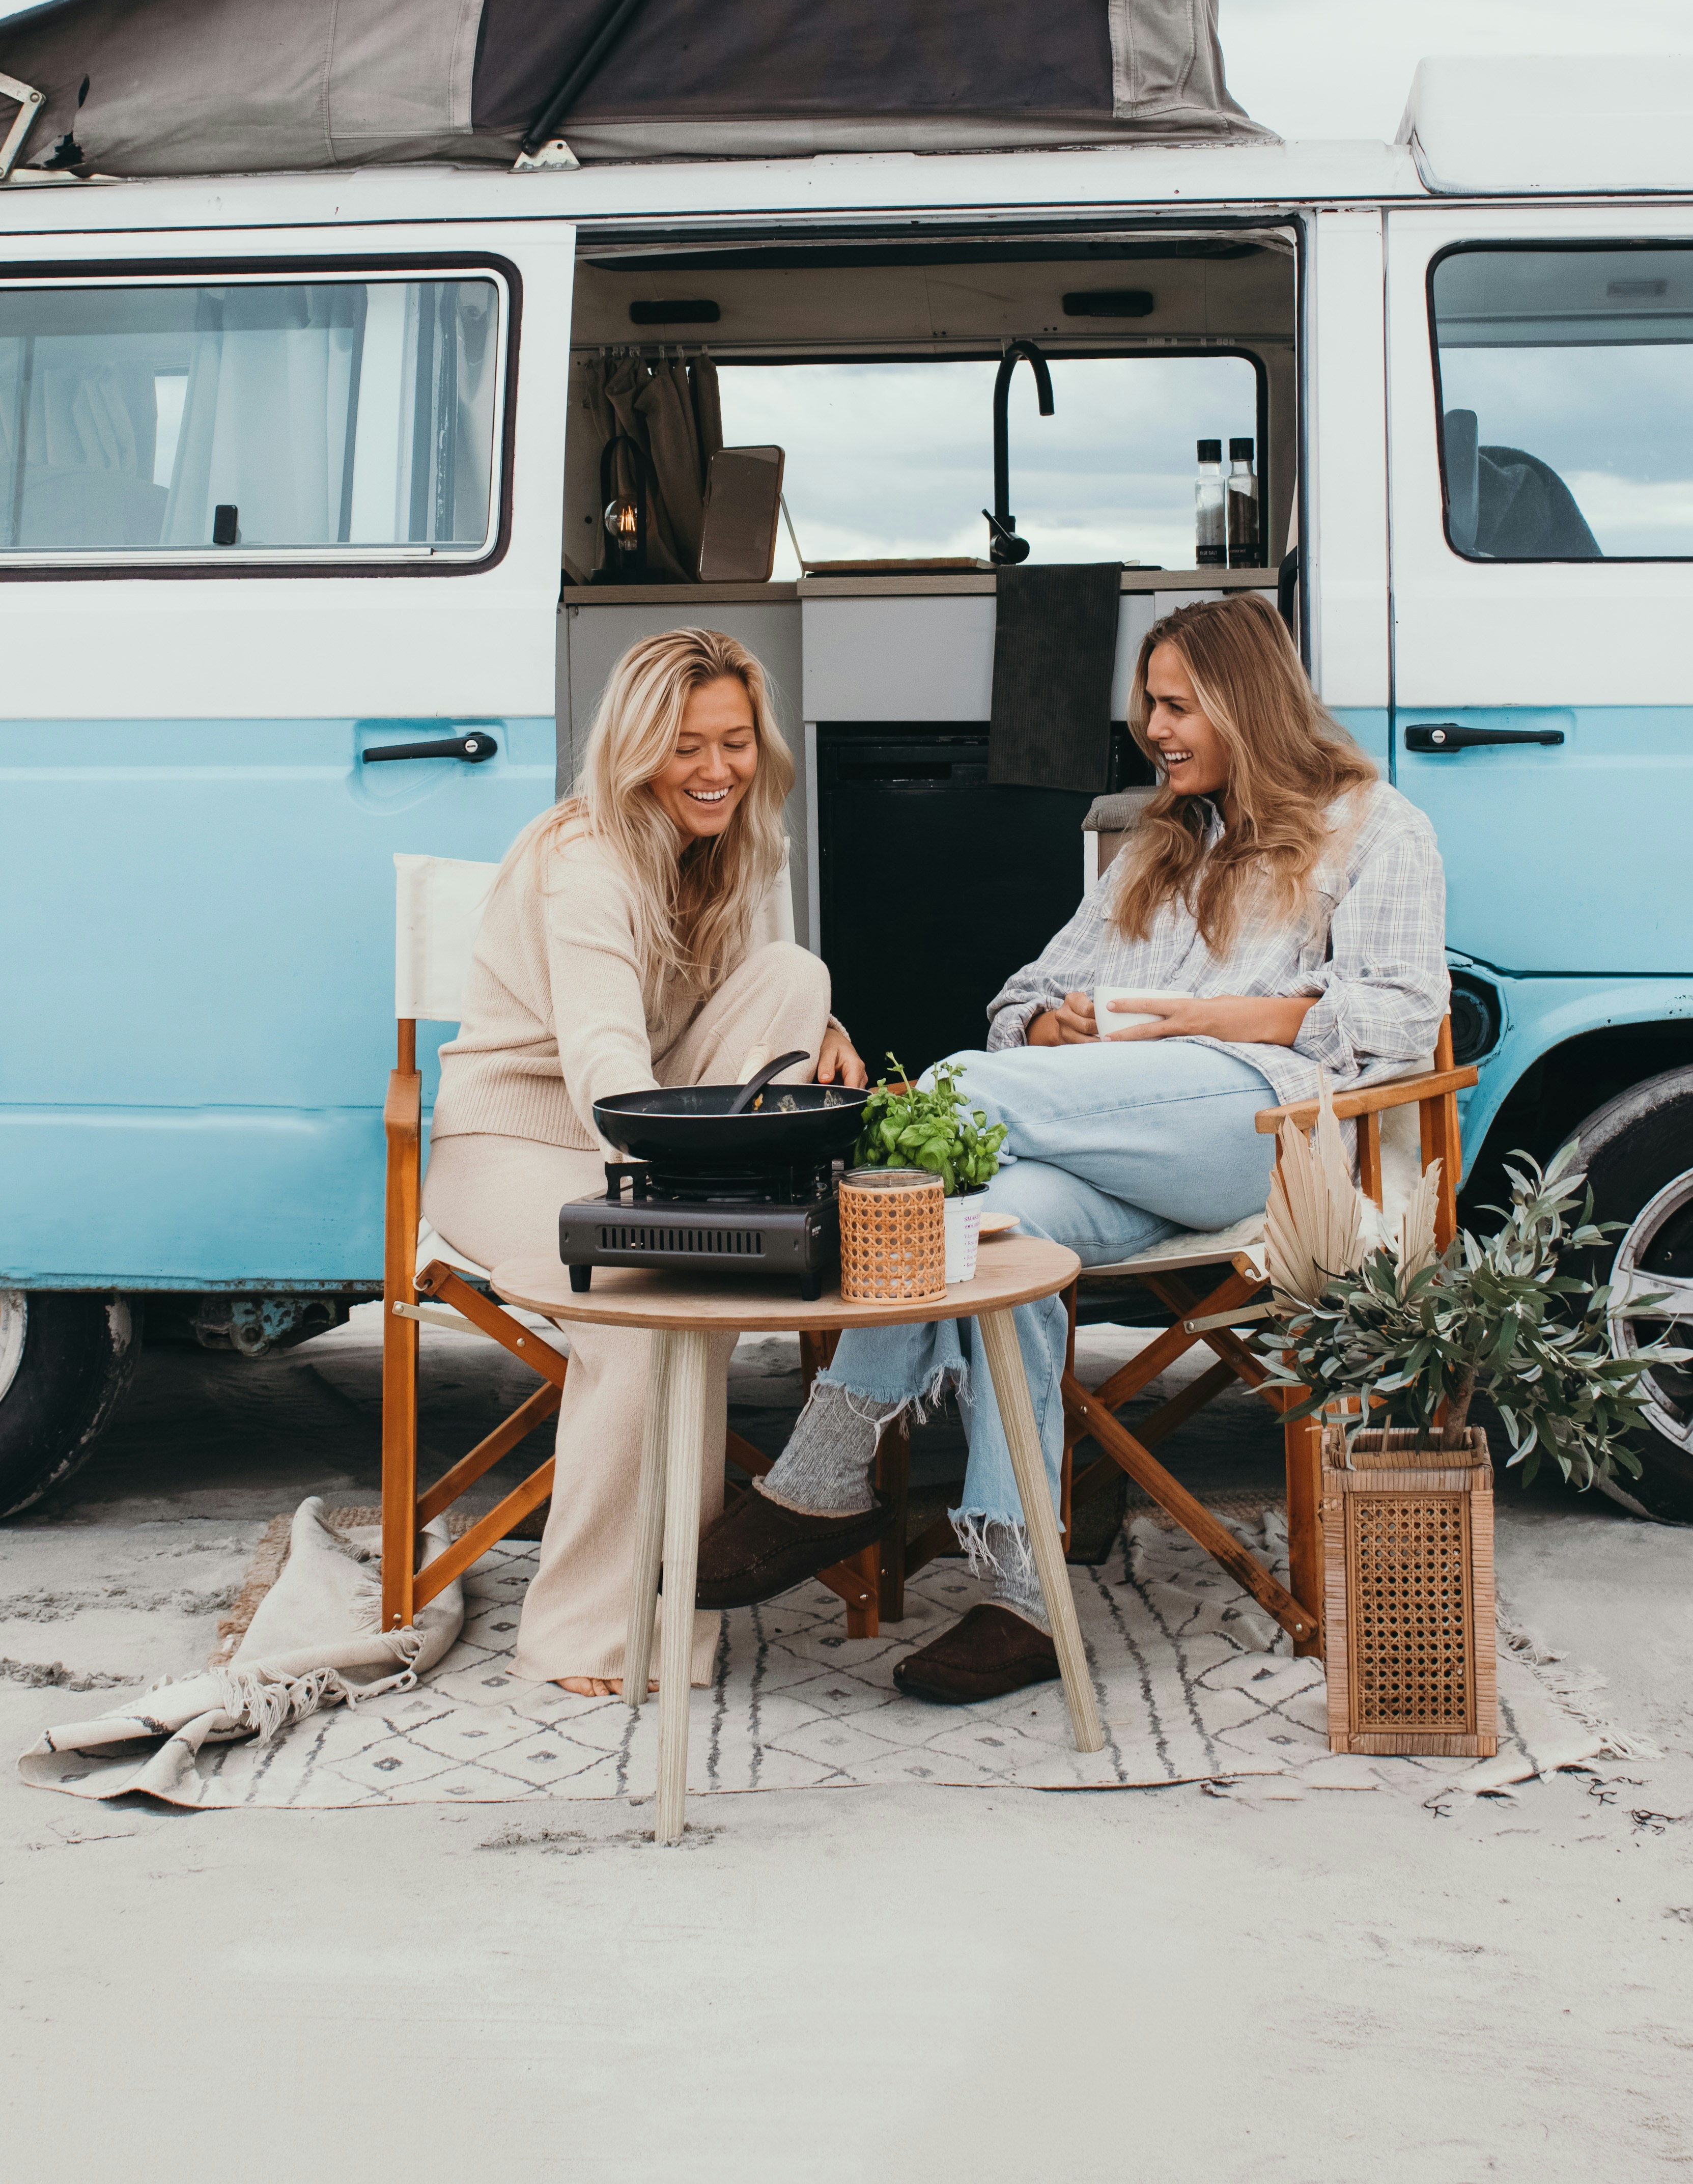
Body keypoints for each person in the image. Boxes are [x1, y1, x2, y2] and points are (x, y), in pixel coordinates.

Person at [696, 591, 1449, 1704]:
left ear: (1249, 705)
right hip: (1112, 1135)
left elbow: (1393, 1018)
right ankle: (1020, 1592)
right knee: (998, 1229)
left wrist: (1194, 1017)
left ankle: (821, 1470)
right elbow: (1020, 1002)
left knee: (954, 1091)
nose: (1155, 728)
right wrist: (1061, 1027)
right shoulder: (1161, 841)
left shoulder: (1375, 824)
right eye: (1149, 704)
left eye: (1178, 705)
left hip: (1264, 1132)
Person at [423, 627, 865, 1695]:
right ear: (634, 750)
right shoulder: (583, 859)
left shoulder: (728, 846)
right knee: (649, 1310)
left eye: (735, 741)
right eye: (685, 747)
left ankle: (677, 1595)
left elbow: (735, 1005)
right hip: (518, 1139)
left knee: (796, 971)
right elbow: (605, 1054)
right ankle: (586, 1631)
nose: (716, 770)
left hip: (643, 1137)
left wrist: (828, 1024)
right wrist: (665, 1184)